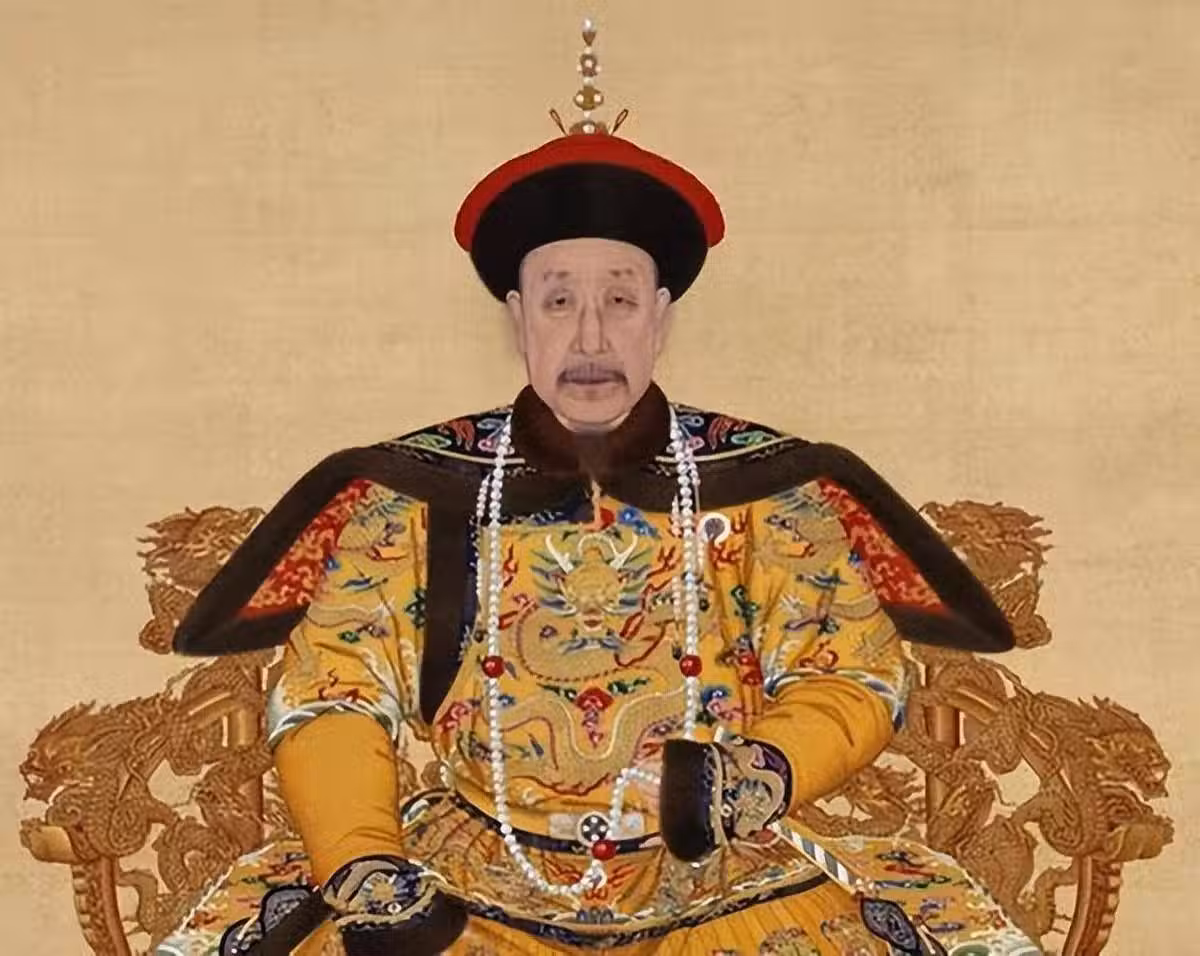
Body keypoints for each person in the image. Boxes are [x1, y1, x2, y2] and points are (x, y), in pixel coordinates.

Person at [170, 20, 1041, 956]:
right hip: (471, 871)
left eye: (619, 300)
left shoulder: (761, 487)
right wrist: (362, 859)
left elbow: (849, 670)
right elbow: (332, 692)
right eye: (559, 301)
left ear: (660, 318)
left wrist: (760, 771)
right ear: (518, 319)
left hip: (720, 875)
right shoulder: (418, 496)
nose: (590, 338)